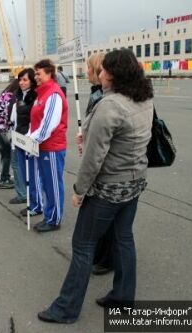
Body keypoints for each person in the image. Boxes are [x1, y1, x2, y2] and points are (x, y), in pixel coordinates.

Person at [37, 49, 154, 324]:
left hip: (109, 187)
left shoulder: (110, 105)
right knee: (123, 238)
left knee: (83, 245)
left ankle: (66, 308)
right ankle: (123, 297)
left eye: (102, 70)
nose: (98, 74)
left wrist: (79, 190)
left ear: (112, 74)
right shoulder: (144, 96)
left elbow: (94, 157)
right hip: (134, 181)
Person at [82, 52, 114, 276]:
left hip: (107, 167)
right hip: (104, 162)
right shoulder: (96, 93)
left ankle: (106, 258)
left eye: (90, 68)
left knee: (104, 217)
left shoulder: (102, 97)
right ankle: (102, 254)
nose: (87, 72)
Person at [29, 59, 69, 233]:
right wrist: (29, 138)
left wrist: (31, 141)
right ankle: (49, 215)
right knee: (46, 183)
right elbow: (35, 122)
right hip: (42, 146)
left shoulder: (53, 94)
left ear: (49, 74)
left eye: (39, 73)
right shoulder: (42, 94)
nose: (35, 77)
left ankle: (54, 220)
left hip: (51, 147)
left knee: (53, 184)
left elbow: (48, 125)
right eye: (35, 73)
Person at [9, 68, 40, 207]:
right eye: (20, 80)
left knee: (32, 174)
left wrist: (30, 136)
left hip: (30, 139)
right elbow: (16, 119)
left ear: (32, 81)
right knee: (21, 170)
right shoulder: (19, 95)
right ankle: (29, 201)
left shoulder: (36, 96)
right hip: (19, 137)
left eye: (25, 80)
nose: (21, 82)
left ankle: (35, 203)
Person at [0, 79, 19, 189]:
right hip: (0, 128)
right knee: (7, 154)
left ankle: (4, 176)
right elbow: (8, 114)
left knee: (4, 154)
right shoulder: (11, 96)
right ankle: (4, 179)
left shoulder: (4, 93)